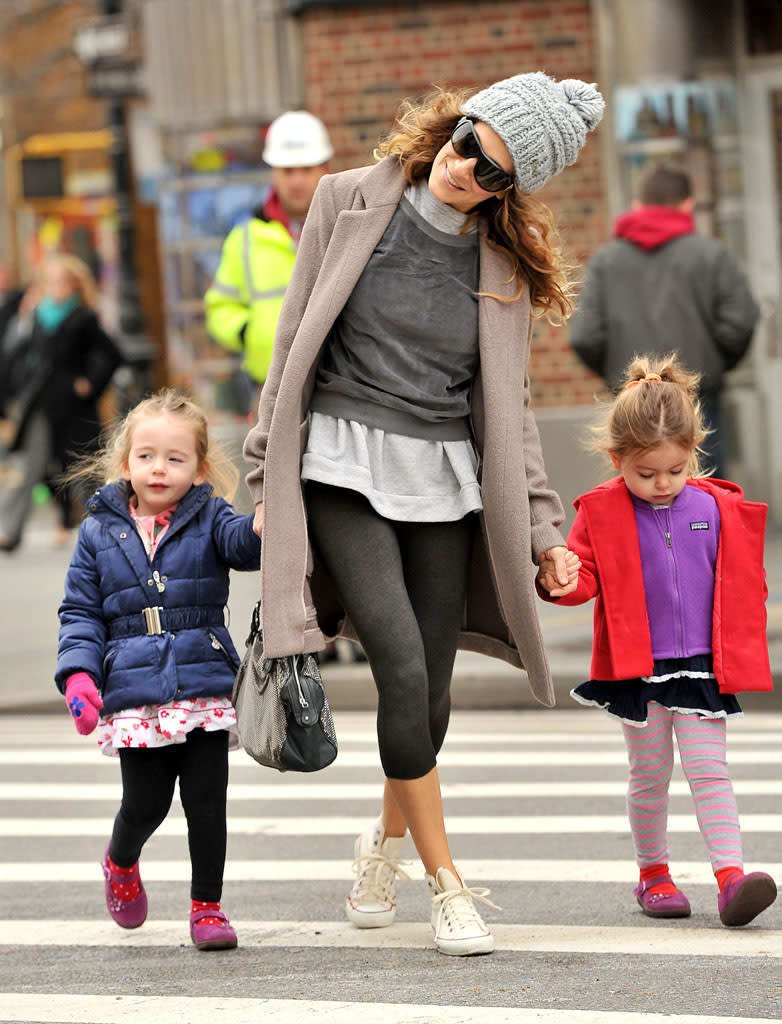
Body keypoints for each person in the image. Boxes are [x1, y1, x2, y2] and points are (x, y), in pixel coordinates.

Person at [242, 71, 602, 956]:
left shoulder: (501, 268)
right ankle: (448, 885)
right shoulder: (345, 200)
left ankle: (382, 844)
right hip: (337, 462)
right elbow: (291, 345)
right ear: (456, 123)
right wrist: (262, 480)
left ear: (510, 193)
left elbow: (510, 413)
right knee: (400, 664)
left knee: (431, 697)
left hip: (443, 480)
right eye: (468, 142)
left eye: (493, 173)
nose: (465, 168)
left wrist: (548, 532)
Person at [537, 354, 777, 928]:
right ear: (618, 459)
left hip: (700, 664)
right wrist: (561, 581)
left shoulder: (717, 506)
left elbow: (744, 580)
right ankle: (654, 876)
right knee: (649, 776)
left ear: (691, 451)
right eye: (645, 474)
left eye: (674, 470)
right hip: (637, 669)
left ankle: (730, 878)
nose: (662, 483)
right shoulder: (599, 512)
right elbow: (585, 580)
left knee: (710, 768)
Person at [55, 389, 262, 951]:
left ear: (199, 468)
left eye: (175, 458)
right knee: (145, 803)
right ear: (127, 462)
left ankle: (207, 907)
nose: (159, 468)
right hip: (134, 689)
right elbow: (79, 611)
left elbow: (244, 547)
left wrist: (265, 521)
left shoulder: (209, 515)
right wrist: (79, 678)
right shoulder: (99, 530)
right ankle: (121, 860)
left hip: (202, 683)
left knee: (206, 801)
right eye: (147, 455)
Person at [568, 163, 760, 479]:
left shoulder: (606, 261)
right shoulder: (710, 255)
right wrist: (710, 367)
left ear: (637, 205)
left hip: (631, 403)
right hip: (697, 401)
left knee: (640, 500)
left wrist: (622, 380)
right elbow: (740, 322)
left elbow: (585, 336)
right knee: (706, 499)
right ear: (687, 204)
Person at [204, 110, 334, 413]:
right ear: (273, 171)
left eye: (306, 168)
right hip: (269, 387)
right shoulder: (245, 237)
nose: (297, 180)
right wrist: (248, 333)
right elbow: (219, 307)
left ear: (325, 168)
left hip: (338, 383)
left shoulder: (348, 226)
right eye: (287, 170)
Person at [0, 253, 122, 551]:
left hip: (74, 408)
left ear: (75, 285)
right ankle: (10, 530)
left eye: (63, 281)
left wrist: (89, 384)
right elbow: (20, 357)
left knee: (85, 468)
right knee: (29, 466)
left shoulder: (83, 317)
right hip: (41, 406)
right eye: (51, 280)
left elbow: (112, 355)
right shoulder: (37, 316)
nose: (57, 286)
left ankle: (111, 529)